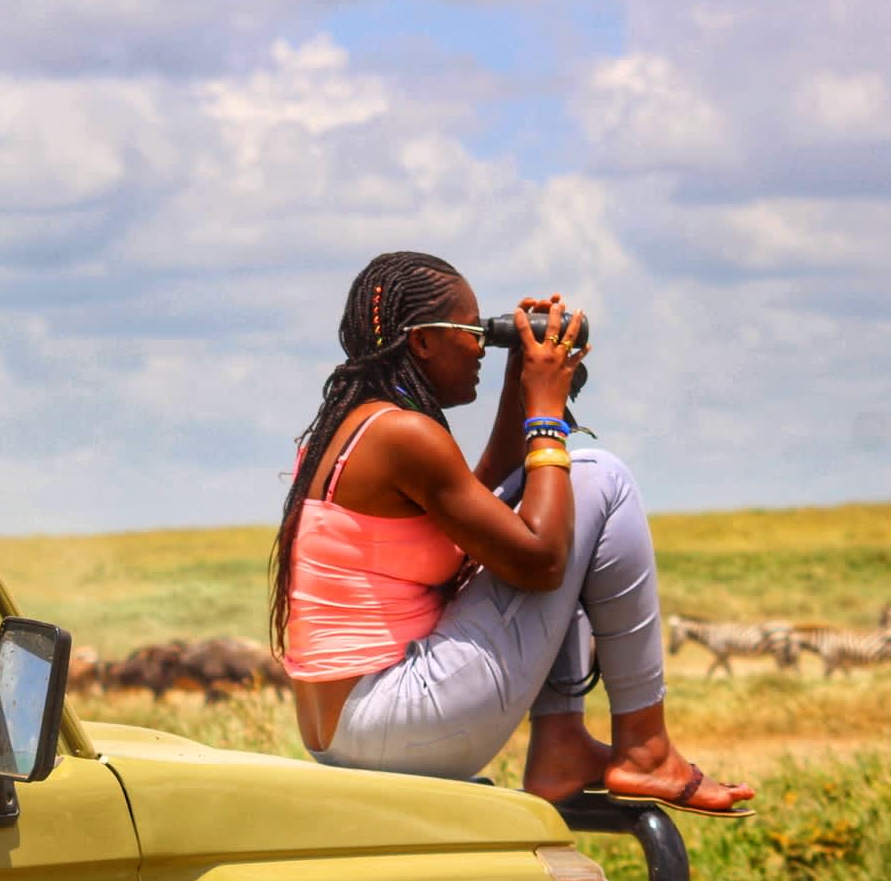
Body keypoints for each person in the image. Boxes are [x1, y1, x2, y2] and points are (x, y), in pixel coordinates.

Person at [271, 251, 755, 817]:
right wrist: (546, 414)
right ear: (424, 341)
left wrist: (517, 390)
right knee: (601, 477)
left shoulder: (361, 426)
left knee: (549, 504)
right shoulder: (405, 434)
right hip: (389, 724)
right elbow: (541, 560)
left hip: (352, 730)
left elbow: (482, 517)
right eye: (472, 331)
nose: (482, 344)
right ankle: (646, 750)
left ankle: (561, 746)